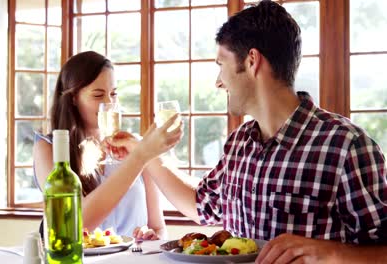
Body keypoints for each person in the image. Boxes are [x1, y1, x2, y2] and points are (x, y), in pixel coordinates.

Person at [108, 1, 387, 263]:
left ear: (252, 61)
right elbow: (200, 205)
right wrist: (141, 150)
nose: (218, 82)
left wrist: (329, 252)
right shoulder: (239, 142)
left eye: (221, 64)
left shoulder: (347, 145)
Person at [33, 51, 182, 240]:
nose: (109, 103)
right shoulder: (49, 149)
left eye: (113, 94)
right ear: (73, 99)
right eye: (98, 95)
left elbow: (159, 228)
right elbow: (72, 225)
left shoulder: (135, 146)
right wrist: (138, 159)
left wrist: (151, 237)